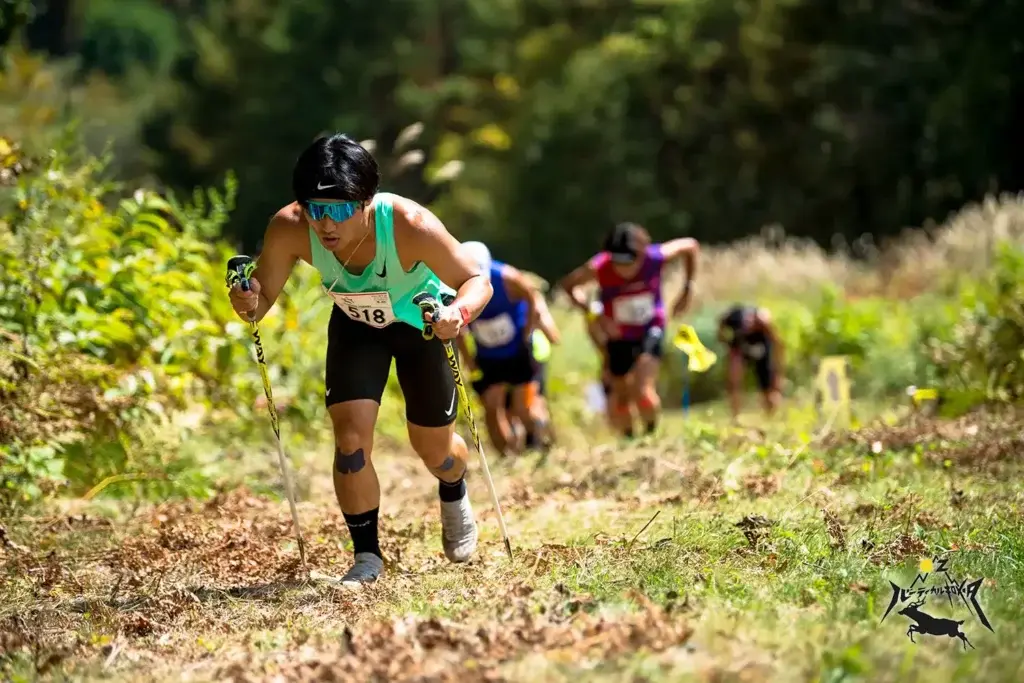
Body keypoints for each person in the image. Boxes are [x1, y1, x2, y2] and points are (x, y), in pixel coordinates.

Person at [227, 133, 493, 587]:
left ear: (367, 202)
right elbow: (262, 298)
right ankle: (367, 557)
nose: (325, 226)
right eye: (315, 209)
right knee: (350, 444)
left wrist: (458, 313)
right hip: (355, 326)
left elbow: (476, 278)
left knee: (434, 450)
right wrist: (245, 298)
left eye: (338, 210)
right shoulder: (290, 227)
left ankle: (454, 486)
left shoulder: (410, 224)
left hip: (420, 323)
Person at [559, 222, 699, 438]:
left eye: (630, 262)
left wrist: (687, 289)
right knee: (621, 393)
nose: (624, 269)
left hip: (650, 328)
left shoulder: (655, 258)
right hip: (618, 337)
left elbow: (690, 246)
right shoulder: (599, 267)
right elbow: (569, 286)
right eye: (618, 262)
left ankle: (651, 434)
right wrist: (594, 314)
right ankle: (629, 439)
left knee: (642, 389)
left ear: (641, 254)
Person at [455, 241, 561, 456]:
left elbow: (532, 295)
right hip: (488, 355)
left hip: (518, 351)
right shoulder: (453, 282)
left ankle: (543, 447)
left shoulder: (507, 278)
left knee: (525, 408)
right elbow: (458, 327)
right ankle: (508, 458)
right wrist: (468, 358)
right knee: (492, 409)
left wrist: (529, 329)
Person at [717, 304, 784, 418]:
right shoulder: (733, 318)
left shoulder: (764, 324)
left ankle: (771, 415)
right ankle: (735, 415)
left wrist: (778, 372)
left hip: (762, 352)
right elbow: (720, 330)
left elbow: (778, 344)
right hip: (741, 349)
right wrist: (726, 343)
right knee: (734, 379)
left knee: (768, 387)